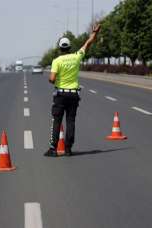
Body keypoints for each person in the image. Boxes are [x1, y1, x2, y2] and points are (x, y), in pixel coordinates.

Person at [45, 24, 101, 157]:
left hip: (60, 95)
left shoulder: (57, 61)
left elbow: (52, 79)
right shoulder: (76, 57)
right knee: (71, 121)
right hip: (73, 95)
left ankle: (53, 149)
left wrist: (54, 78)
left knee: (57, 120)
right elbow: (88, 43)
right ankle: (68, 149)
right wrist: (95, 32)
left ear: (60, 48)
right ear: (70, 47)